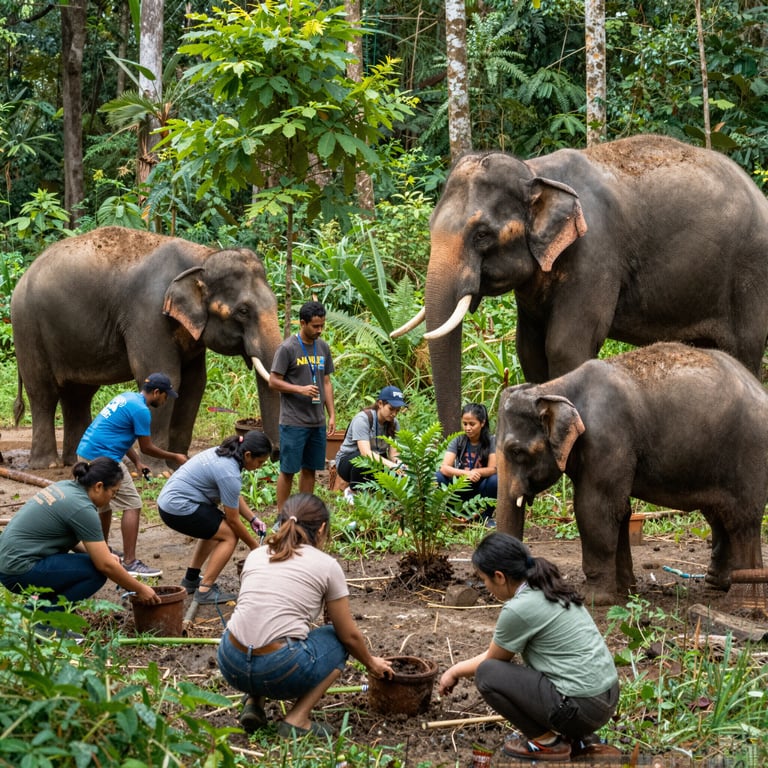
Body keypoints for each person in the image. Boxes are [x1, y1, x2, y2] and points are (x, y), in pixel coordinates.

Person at [217, 493, 393, 737]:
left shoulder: (256, 554)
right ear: (321, 529)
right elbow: (349, 635)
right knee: (337, 639)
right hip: (278, 669)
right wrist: (371, 663)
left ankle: (253, 703)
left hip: (230, 660)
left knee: (260, 623)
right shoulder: (326, 565)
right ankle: (297, 719)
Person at [438, 533, 620, 762]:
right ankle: (579, 739)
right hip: (607, 698)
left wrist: (453, 671)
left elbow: (493, 660)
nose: (485, 586)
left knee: (488, 674)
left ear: (500, 577)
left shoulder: (519, 608)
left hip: (581, 708)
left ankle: (548, 743)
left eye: (484, 579)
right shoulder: (550, 585)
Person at [0, 458, 161, 612]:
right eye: (113, 492)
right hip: (19, 570)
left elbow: (68, 539)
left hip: (7, 563)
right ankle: (46, 620)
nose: (113, 498)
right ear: (98, 486)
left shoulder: (66, 487)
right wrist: (140, 589)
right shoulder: (82, 508)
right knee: (95, 572)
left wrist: (105, 554)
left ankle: (32, 612)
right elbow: (105, 566)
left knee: (95, 561)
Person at [76, 373, 189, 578]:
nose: (165, 401)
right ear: (156, 393)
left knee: (104, 505)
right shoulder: (141, 410)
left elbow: (121, 433)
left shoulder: (127, 398)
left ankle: (100, 554)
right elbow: (147, 447)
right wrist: (176, 456)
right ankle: (130, 562)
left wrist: (136, 462)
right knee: (132, 504)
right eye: (165, 396)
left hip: (86, 451)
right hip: (104, 458)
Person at [157, 431, 271, 605]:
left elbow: (231, 494)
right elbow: (233, 521)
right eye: (260, 462)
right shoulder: (229, 471)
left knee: (216, 528)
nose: (259, 466)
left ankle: (191, 580)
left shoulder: (225, 453)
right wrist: (255, 547)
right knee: (229, 535)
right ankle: (205, 590)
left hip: (170, 502)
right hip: (178, 508)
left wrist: (252, 518)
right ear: (248, 455)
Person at [269, 301, 336, 511]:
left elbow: (326, 382)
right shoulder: (288, 348)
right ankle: (281, 515)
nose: (319, 330)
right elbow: (273, 381)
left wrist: (331, 414)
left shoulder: (323, 347)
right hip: (293, 421)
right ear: (303, 323)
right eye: (315, 326)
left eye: (322, 325)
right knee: (288, 470)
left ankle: (303, 513)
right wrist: (300, 389)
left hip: (317, 421)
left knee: (310, 470)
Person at [334, 385, 406, 498]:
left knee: (399, 477)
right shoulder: (363, 419)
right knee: (364, 460)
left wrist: (400, 466)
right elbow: (365, 453)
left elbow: (394, 454)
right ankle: (353, 492)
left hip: (377, 461)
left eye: (397, 410)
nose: (394, 414)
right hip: (349, 462)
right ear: (380, 404)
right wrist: (392, 466)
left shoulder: (394, 423)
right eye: (391, 409)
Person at [436, 403, 497, 524]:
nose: (467, 428)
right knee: (438, 477)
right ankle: (452, 513)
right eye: (465, 424)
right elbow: (444, 468)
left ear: (482, 423)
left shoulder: (491, 441)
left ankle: (485, 516)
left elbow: (493, 469)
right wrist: (466, 473)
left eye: (472, 424)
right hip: (460, 487)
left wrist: (477, 472)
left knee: (495, 480)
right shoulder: (458, 440)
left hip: (480, 489)